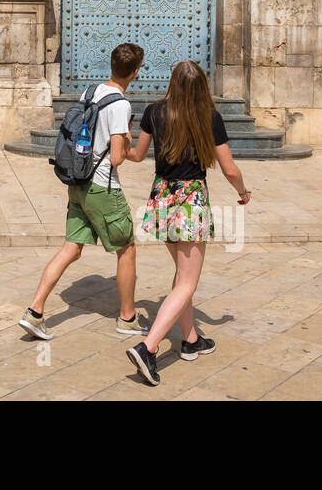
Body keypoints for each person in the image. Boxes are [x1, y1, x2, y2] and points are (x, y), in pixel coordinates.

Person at [125, 59, 252, 386]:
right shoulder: (209, 117)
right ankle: (148, 348)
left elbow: (137, 155)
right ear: (201, 86)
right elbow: (230, 168)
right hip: (190, 202)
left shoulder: (154, 112)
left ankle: (191, 340)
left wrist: (116, 139)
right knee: (187, 283)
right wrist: (243, 192)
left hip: (161, 199)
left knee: (182, 277)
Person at [19, 43, 148, 341]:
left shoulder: (90, 92)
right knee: (126, 249)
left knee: (71, 248)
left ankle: (35, 311)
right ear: (136, 72)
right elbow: (116, 157)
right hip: (103, 187)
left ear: (112, 65)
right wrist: (128, 137)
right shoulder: (120, 105)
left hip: (78, 183)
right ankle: (127, 317)